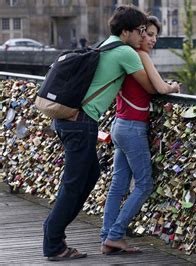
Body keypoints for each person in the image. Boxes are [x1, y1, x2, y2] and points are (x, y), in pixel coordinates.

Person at [42, 5, 164, 261]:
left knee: (90, 175)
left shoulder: (105, 44)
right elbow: (152, 87)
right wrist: (170, 85)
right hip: (81, 122)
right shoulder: (125, 52)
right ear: (127, 31)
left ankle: (59, 236)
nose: (143, 36)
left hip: (69, 119)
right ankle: (53, 242)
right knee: (74, 183)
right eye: (141, 31)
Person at [100, 16, 180, 255]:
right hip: (133, 127)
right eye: (149, 34)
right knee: (144, 184)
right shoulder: (139, 55)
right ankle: (115, 235)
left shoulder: (125, 54)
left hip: (119, 124)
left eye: (155, 35)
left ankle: (107, 237)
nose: (152, 39)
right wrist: (173, 86)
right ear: (139, 33)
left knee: (118, 184)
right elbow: (160, 88)